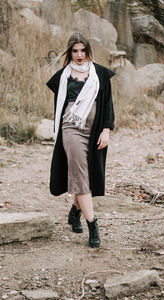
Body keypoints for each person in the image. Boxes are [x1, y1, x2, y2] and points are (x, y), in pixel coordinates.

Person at [46, 32, 115, 248]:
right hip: (71, 129)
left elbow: (107, 105)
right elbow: (60, 106)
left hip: (93, 130)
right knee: (81, 173)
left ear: (88, 50)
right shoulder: (62, 77)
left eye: (82, 50)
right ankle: (93, 224)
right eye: (74, 51)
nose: (79, 55)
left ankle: (75, 212)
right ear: (69, 52)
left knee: (86, 172)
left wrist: (106, 130)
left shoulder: (100, 74)